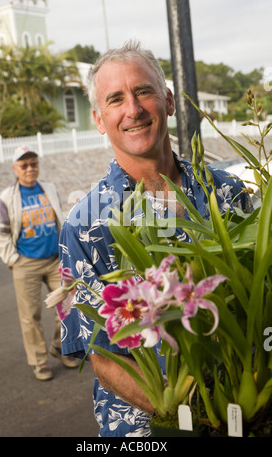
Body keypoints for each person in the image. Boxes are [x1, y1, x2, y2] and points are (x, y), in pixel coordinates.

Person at [58, 41, 252, 436]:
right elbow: (104, 358)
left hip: (243, 415)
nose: (133, 109)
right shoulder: (85, 225)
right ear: (98, 119)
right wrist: (194, 414)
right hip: (147, 429)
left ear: (168, 101)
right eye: (116, 99)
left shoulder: (228, 193)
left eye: (143, 91)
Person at [0, 146, 78, 381]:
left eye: (33, 163)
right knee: (31, 316)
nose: (30, 168)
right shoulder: (7, 197)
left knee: (67, 306)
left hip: (54, 260)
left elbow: (61, 220)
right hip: (26, 263)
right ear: (15, 169)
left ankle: (60, 348)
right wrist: (13, 259)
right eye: (24, 165)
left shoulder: (48, 189)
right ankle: (39, 362)